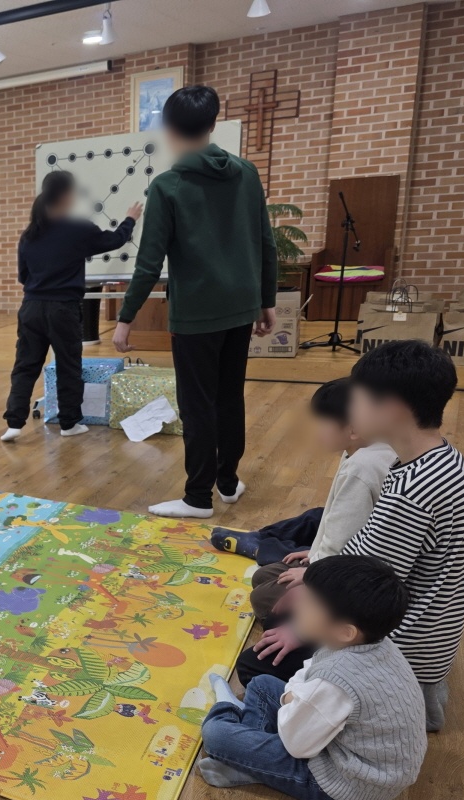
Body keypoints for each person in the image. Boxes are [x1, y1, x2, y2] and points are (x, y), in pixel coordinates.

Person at [238, 341, 464, 732]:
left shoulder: (410, 492)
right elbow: (369, 553)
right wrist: (314, 581)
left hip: (396, 651)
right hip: (420, 638)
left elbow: (367, 592)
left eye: (358, 398)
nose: (350, 409)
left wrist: (303, 627)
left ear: (392, 408)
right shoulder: (443, 459)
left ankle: (383, 711)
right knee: (283, 601)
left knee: (256, 664)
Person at [114, 85, 277, 518]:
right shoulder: (246, 173)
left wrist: (125, 318)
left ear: (169, 129)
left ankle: (198, 497)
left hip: (196, 316)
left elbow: (149, 263)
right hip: (241, 308)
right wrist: (267, 300)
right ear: (212, 125)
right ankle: (228, 482)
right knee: (230, 396)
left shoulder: (168, 186)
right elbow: (264, 241)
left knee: (197, 403)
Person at [198, 556, 427, 800]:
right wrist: (294, 695)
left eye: (309, 602)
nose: (296, 604)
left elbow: (296, 745)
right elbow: (309, 670)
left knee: (216, 735)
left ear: (345, 631)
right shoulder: (369, 644)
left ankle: (230, 714)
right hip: (352, 754)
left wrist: (291, 698)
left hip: (350, 785)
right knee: (262, 684)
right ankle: (251, 765)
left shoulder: (336, 681)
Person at [211, 377, 396, 619]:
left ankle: (311, 621)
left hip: (351, 575)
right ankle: (264, 543)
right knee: (263, 575)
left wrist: (312, 572)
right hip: (341, 561)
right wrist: (315, 553)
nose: (318, 431)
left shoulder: (361, 467)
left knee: (263, 599)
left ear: (353, 429)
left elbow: (343, 538)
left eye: (323, 423)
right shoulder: (366, 448)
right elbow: (336, 522)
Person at [1, 169, 141, 442]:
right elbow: (115, 239)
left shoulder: (29, 234)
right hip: (62, 309)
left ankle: (14, 424)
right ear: (66, 196)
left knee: (25, 366)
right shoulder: (78, 230)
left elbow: (23, 277)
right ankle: (69, 423)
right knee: (68, 365)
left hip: (31, 308)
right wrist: (130, 219)